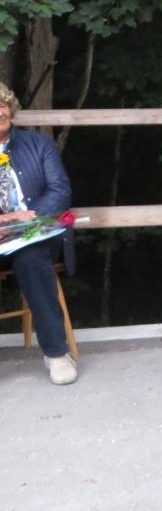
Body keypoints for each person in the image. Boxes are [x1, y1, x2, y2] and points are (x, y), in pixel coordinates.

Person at [0, 82, 76, 385]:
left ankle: (56, 354)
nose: (0, 112)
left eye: (3, 105)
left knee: (31, 260)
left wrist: (28, 220)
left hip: (34, 235)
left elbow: (60, 190)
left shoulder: (39, 144)